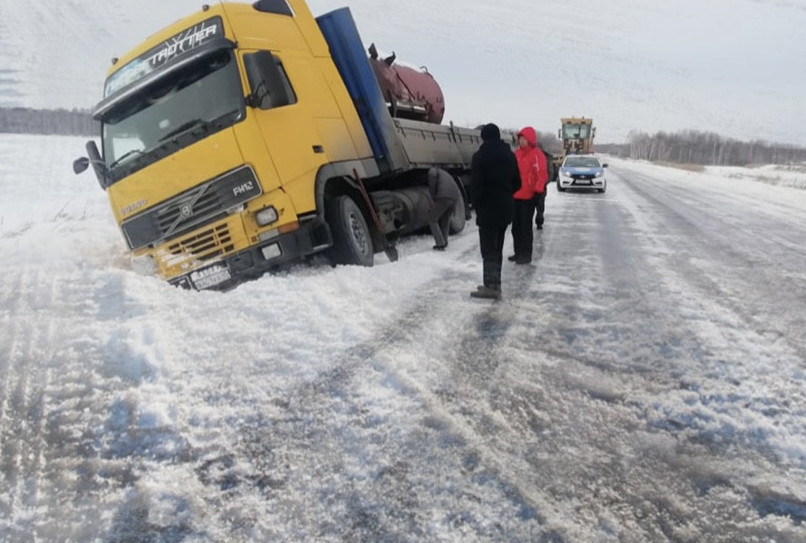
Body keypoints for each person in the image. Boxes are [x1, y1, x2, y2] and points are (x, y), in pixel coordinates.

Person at [469, 123, 521, 300]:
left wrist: (476, 204)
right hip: (506, 209)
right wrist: (505, 195)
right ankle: (495, 283)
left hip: (487, 210)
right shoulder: (510, 156)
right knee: (497, 248)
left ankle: (491, 287)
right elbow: (518, 183)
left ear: (483, 137)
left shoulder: (480, 157)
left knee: (489, 250)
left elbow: (476, 186)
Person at [509, 126, 545, 263]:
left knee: (525, 227)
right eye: (520, 139)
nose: (521, 141)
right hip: (515, 196)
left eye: (524, 139)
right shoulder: (516, 154)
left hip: (529, 197)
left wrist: (538, 191)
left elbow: (541, 174)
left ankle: (526, 254)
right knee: (515, 228)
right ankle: (517, 252)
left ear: (530, 140)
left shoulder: (537, 154)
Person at [426, 167, 461, 250]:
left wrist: (433, 198)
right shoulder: (444, 173)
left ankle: (440, 244)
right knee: (445, 218)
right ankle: (444, 241)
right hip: (455, 197)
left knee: (431, 219)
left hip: (444, 197)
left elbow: (432, 184)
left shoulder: (432, 171)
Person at [533, 141, 550, 230]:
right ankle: (538, 222)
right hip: (530, 187)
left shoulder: (544, 158)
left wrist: (543, 182)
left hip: (541, 188)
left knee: (540, 206)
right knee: (538, 206)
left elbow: (550, 173)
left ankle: (539, 222)